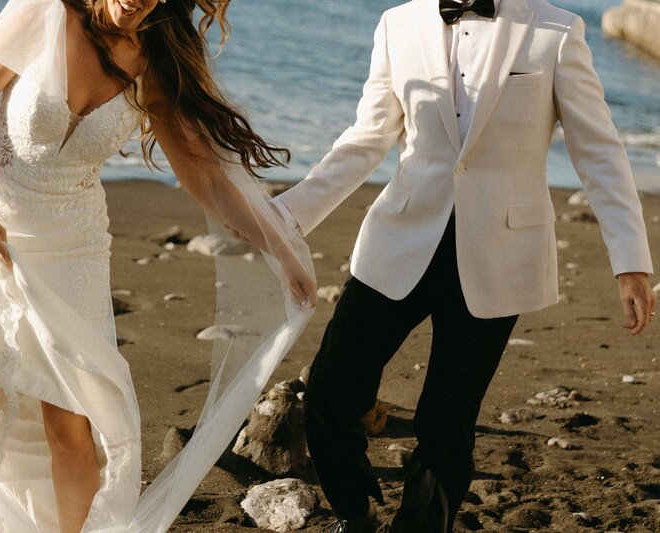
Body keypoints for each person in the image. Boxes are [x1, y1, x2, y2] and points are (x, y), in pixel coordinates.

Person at [0, 0, 317, 531]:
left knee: (74, 423)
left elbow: (208, 180)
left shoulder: (156, 54)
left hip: (73, 250)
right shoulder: (44, 12)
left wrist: (282, 252)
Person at [270, 0, 656, 530]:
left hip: (501, 254)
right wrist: (286, 215)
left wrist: (630, 261)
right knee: (331, 394)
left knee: (446, 423)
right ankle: (355, 517)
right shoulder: (396, 24)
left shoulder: (557, 31)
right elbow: (366, 139)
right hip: (399, 242)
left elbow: (599, 150)